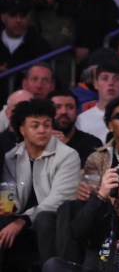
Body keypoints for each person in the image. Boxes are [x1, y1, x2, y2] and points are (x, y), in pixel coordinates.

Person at [1, 98, 80, 272]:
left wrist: (23, 220)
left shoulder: (68, 156)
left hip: (54, 219)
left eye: (47, 125)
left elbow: (59, 199)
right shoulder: (11, 156)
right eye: (35, 126)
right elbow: (9, 189)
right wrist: (10, 206)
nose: (42, 130)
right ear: (22, 130)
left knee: (44, 220)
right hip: (22, 217)